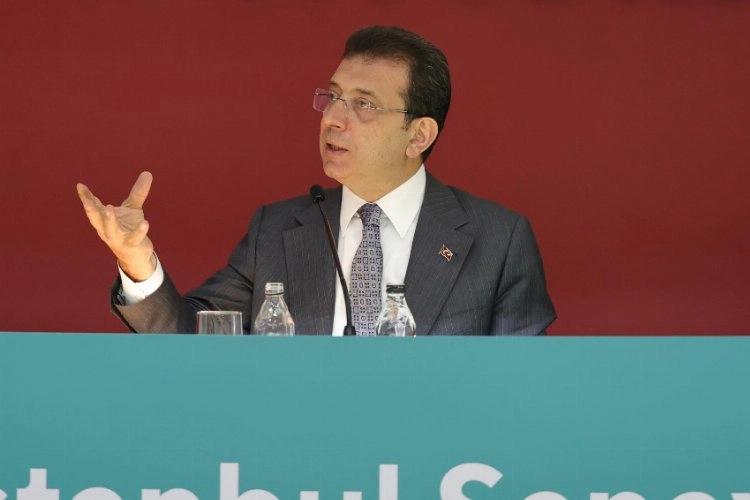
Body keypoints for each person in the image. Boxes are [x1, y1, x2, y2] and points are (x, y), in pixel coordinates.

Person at [77, 25, 556, 336]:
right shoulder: (278, 230)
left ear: (419, 135)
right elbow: (194, 338)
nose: (332, 118)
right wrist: (137, 263)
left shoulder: (498, 241)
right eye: (333, 96)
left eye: (363, 104)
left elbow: (521, 388)